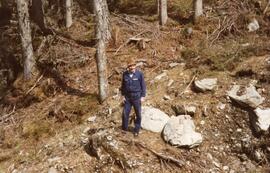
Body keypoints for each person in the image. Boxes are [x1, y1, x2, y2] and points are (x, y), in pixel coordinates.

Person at [120, 59, 146, 137]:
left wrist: (143, 96)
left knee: (138, 114)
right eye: (130, 66)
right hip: (127, 98)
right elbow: (123, 86)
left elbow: (143, 86)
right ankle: (124, 129)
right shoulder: (125, 74)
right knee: (125, 114)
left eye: (133, 65)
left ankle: (136, 130)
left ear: (135, 66)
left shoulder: (139, 74)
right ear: (128, 67)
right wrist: (122, 96)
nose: (132, 67)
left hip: (137, 97)